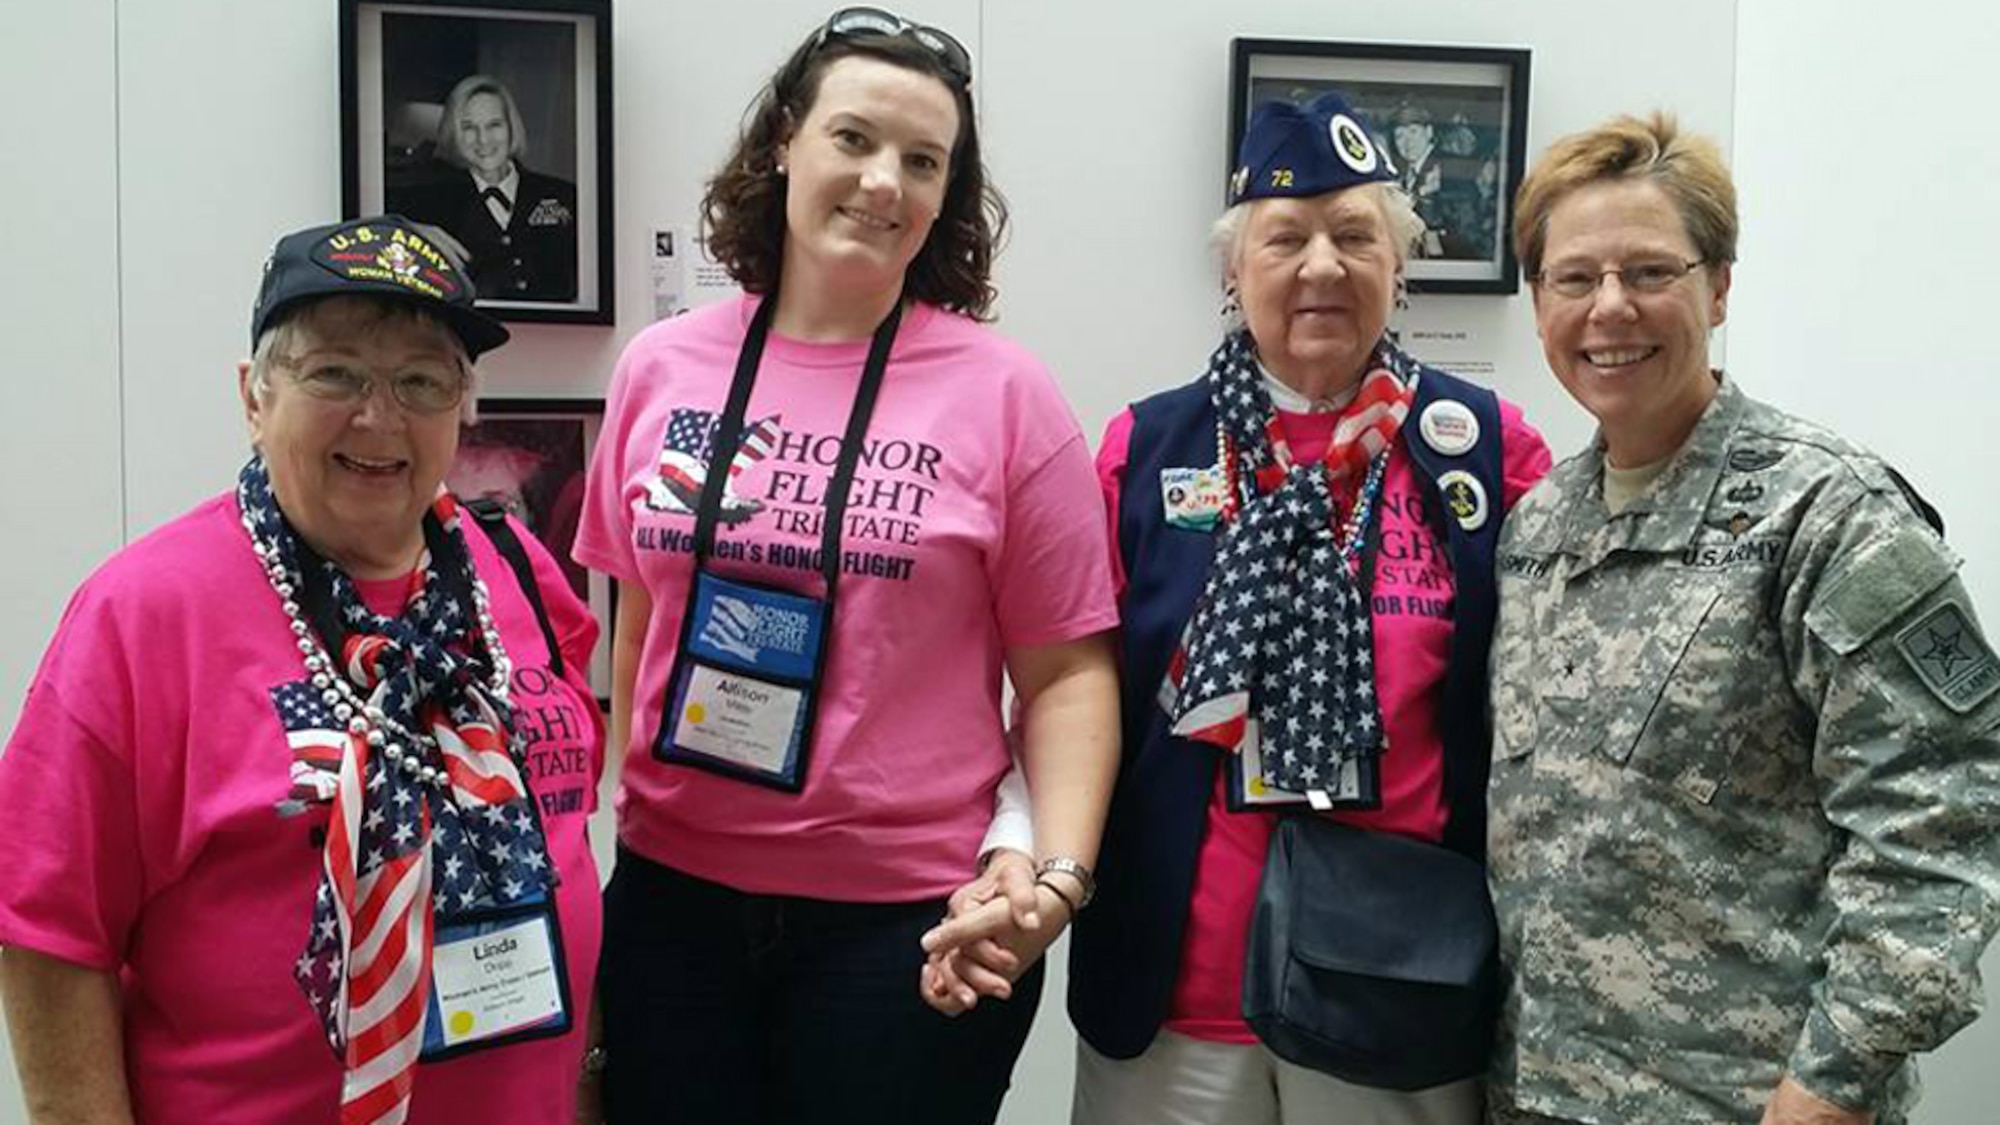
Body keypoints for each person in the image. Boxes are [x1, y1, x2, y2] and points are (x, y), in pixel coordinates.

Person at [923, 90, 1551, 1124]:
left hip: (1394, 988)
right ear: (1231, 271)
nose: (1320, 266)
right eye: (1284, 237)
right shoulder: (1141, 453)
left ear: (1398, 266)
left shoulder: (1481, 453)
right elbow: (1066, 690)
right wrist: (1018, 855)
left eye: (1355, 237)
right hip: (1171, 989)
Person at [573, 8, 1119, 1125]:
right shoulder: (659, 370)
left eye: (924, 162)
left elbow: (1066, 674)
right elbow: (636, 619)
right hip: (675, 906)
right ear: (784, 140)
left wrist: (1056, 882)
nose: (884, 183)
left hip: (909, 921)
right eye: (856, 139)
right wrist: (628, 823)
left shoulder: (1004, 395)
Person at [0, 215, 606, 1123]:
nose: (380, 415)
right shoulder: (144, 614)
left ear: (465, 404)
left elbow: (568, 854)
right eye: (336, 373)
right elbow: (49, 934)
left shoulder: (520, 571)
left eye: (421, 379)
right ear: (254, 395)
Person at [1485, 112, 2000, 1125]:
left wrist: (1832, 1083)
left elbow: (1936, 824)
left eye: (1648, 272)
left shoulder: (1828, 516)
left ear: (1716, 286)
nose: (1609, 309)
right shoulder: (1534, 528)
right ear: (1537, 301)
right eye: (1573, 278)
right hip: (1534, 1093)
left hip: (1751, 1101)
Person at [392, 74, 580, 303]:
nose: (483, 139)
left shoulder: (565, 196)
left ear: (512, 127)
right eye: (469, 127)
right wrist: (406, 230)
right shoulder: (427, 203)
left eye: (494, 125)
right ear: (453, 132)